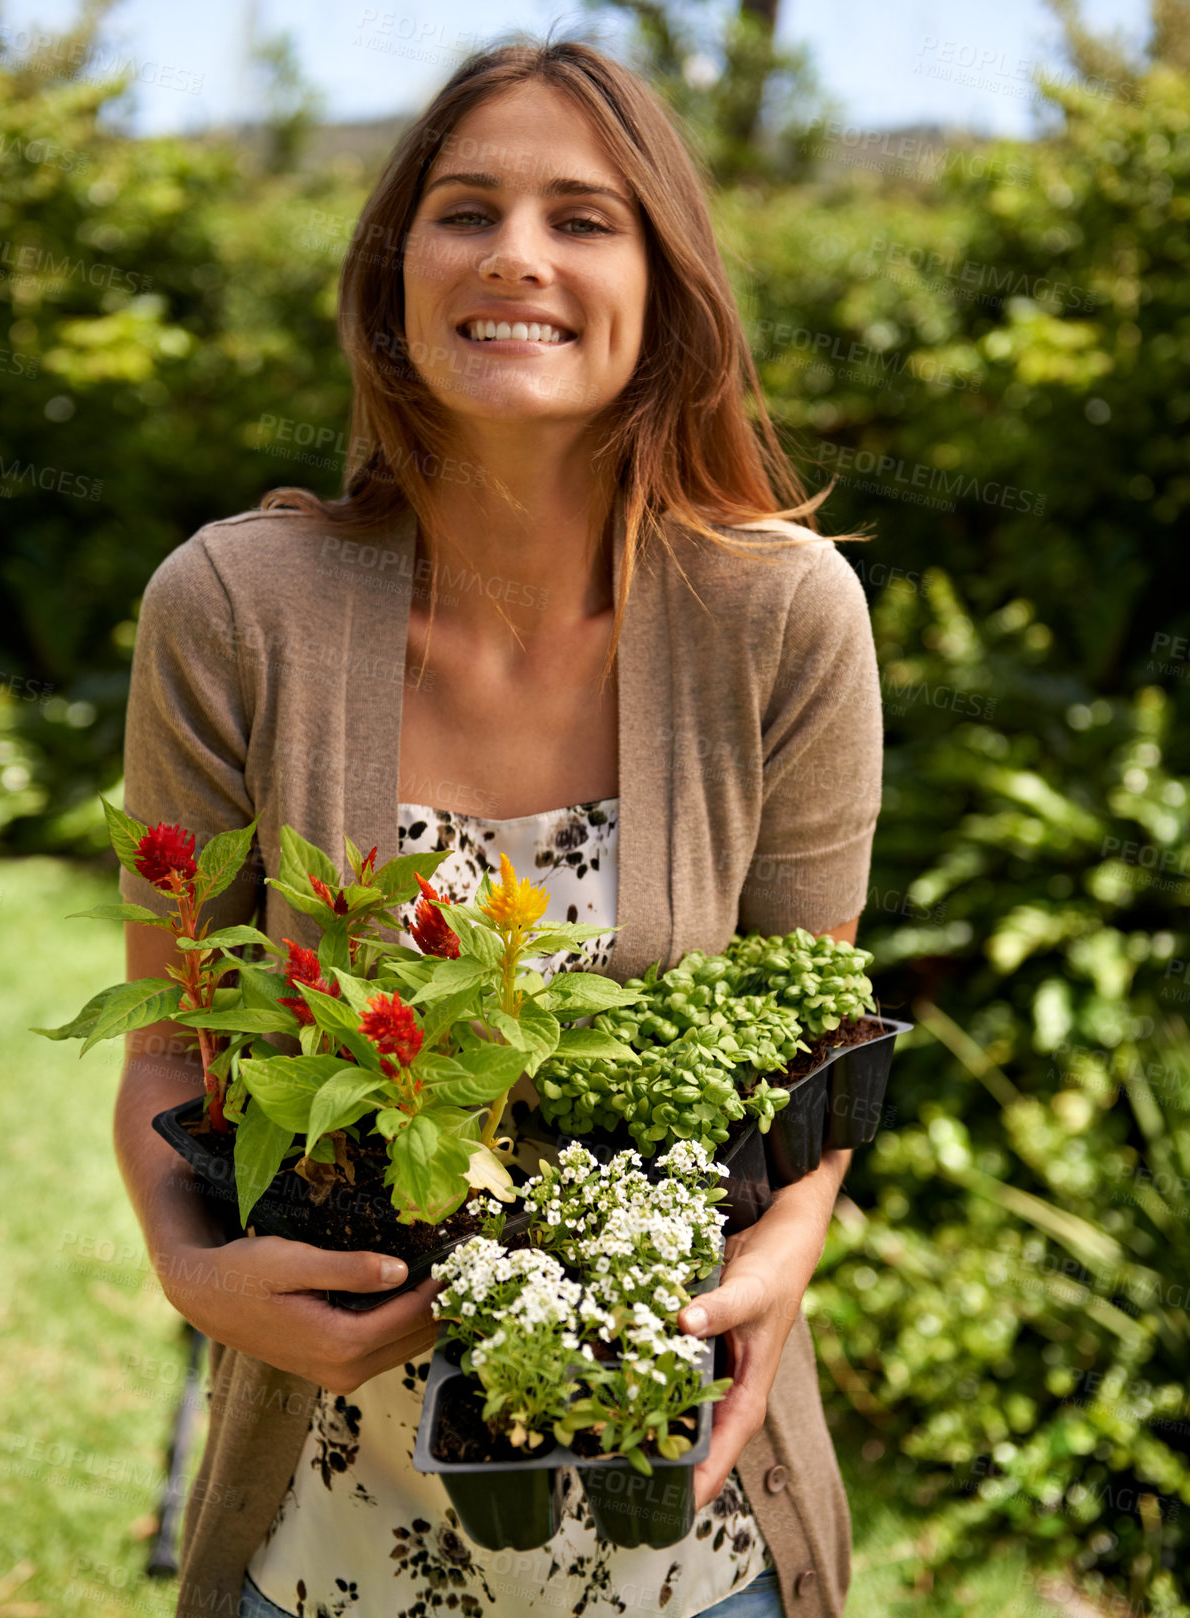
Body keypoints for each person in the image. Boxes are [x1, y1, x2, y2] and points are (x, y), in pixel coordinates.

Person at [113, 34, 883, 1618]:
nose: (515, 255)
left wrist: (791, 1249)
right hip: (327, 1524)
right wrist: (196, 1275)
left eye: (584, 217)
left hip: (689, 1538)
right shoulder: (233, 609)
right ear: (397, 275)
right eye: (465, 210)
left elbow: (815, 1043)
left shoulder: (781, 616)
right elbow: (166, 1054)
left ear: (666, 283)